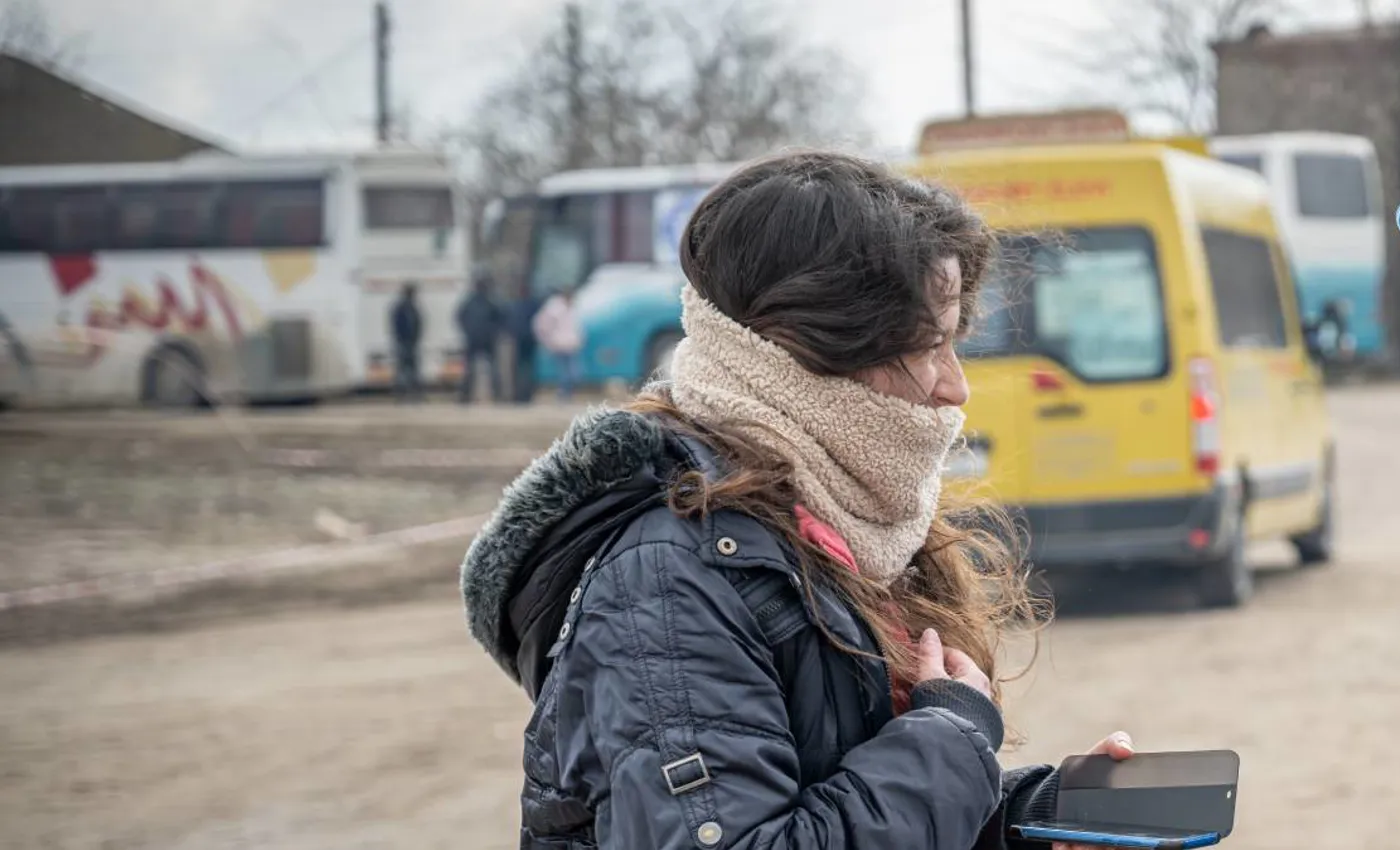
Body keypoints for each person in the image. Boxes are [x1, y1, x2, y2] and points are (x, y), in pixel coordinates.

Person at [458, 151, 1131, 849]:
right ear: (814, 350)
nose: (955, 386)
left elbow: (834, 788)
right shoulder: (669, 579)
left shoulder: (831, 524)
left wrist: (1029, 824)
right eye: (930, 346)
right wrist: (949, 741)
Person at [455, 272, 506, 404]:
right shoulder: (490, 301)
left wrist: (468, 331)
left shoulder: (472, 302)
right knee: (485, 369)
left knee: (472, 370)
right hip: (484, 339)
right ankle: (496, 395)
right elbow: (501, 319)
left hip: (476, 339)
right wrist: (493, 332)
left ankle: (466, 396)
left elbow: (460, 317)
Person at [533, 288, 585, 401]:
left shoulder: (573, 308)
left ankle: (566, 392)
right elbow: (541, 325)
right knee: (565, 372)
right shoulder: (553, 309)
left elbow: (577, 327)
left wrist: (579, 340)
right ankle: (564, 394)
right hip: (559, 344)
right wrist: (548, 341)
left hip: (572, 345)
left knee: (574, 373)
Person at [389, 282, 424, 403]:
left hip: (410, 343)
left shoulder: (410, 307)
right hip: (404, 343)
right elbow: (397, 325)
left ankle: (412, 394)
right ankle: (403, 394)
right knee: (405, 370)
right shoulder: (403, 307)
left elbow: (418, 324)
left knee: (410, 370)